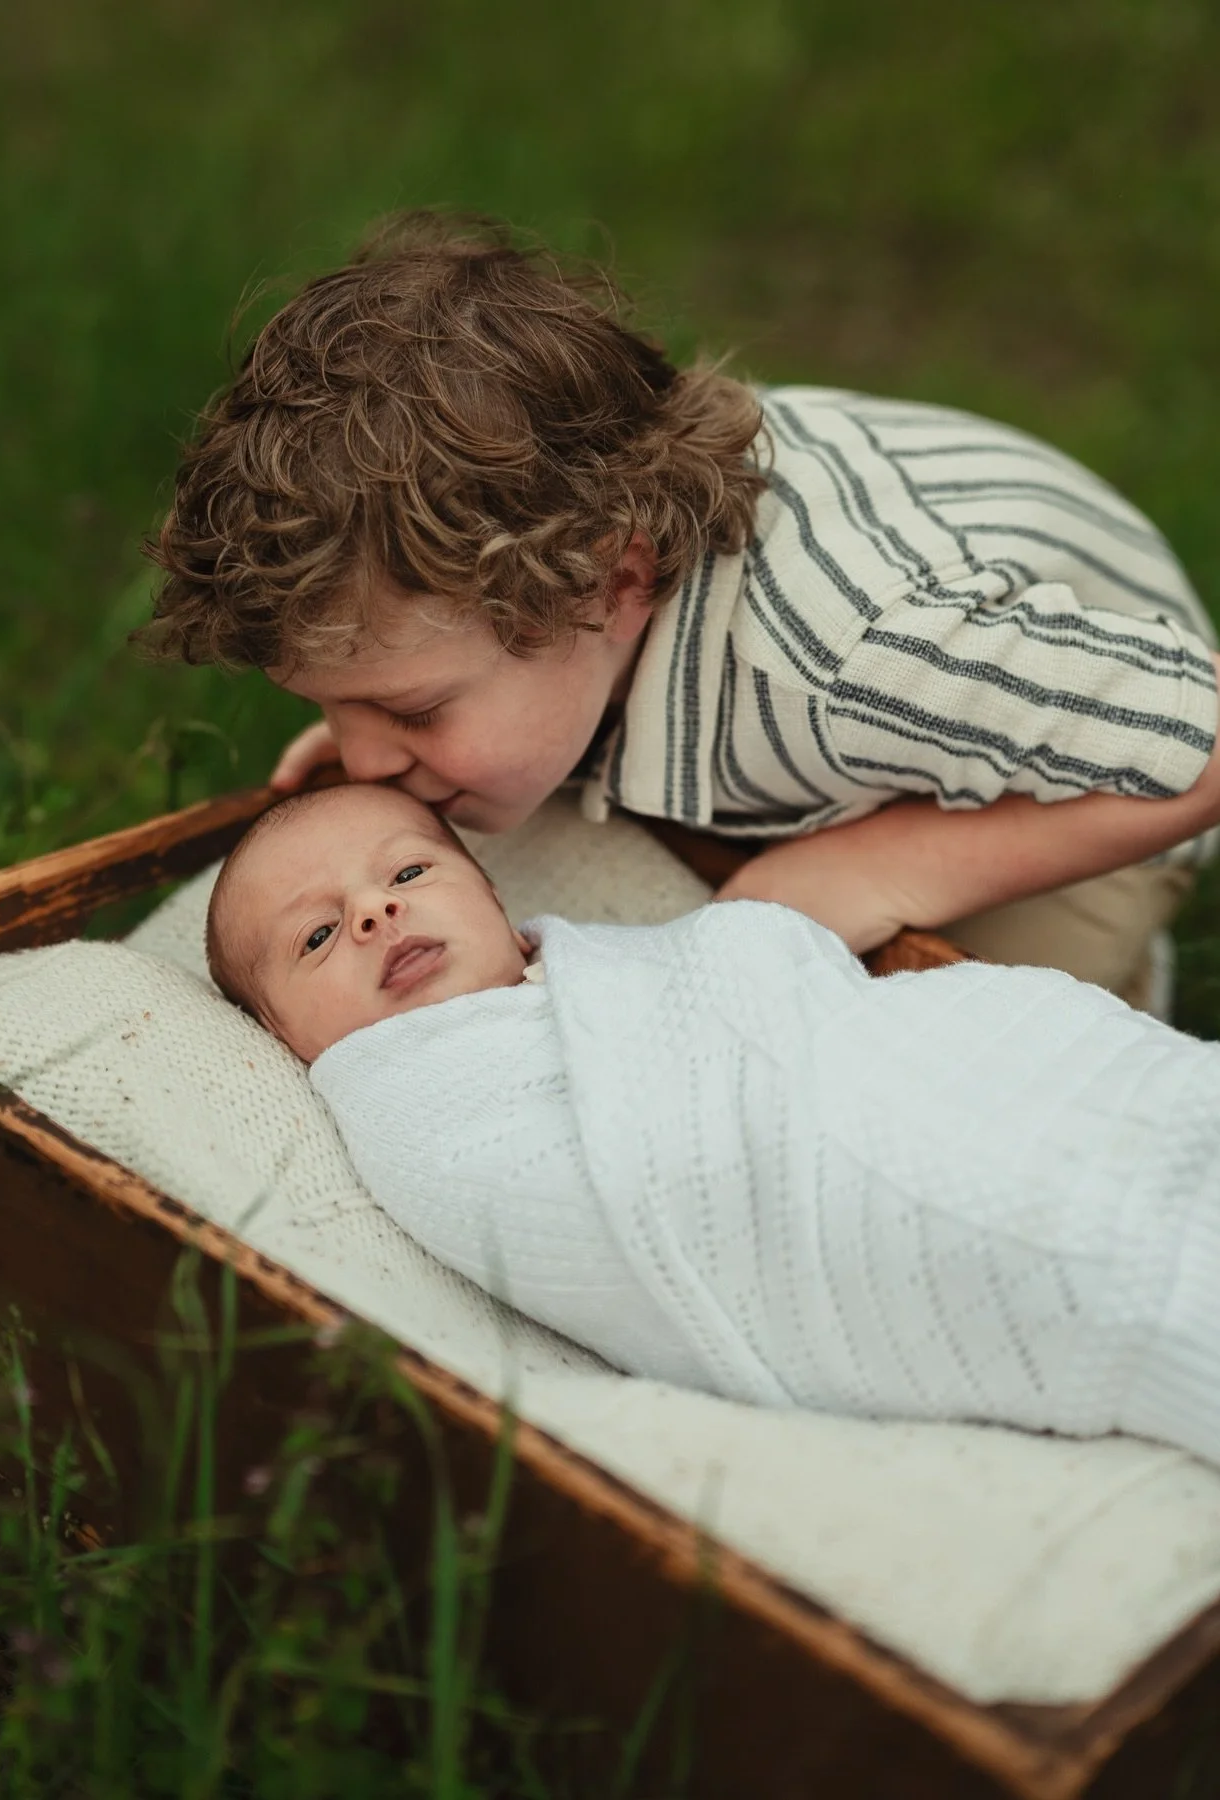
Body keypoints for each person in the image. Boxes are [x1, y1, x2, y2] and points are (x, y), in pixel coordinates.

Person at [143, 211, 1220, 1012]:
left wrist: (889, 866)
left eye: (413, 711)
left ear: (614, 583)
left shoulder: (849, 654)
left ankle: (1124, 969)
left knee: (965, 1028)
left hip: (1076, 749)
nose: (366, 760)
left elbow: (1203, 738)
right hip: (871, 685)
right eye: (341, 707)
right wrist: (391, 720)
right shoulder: (570, 604)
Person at [206, 780, 1220, 1466]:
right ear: (288, 1038)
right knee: (1072, 1238)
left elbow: (759, 976)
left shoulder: (606, 973)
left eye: (409, 875)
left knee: (1095, 1085)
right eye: (320, 934)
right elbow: (599, 1193)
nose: (376, 913)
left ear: (500, 910)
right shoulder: (419, 1105)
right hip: (809, 1202)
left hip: (891, 1066)